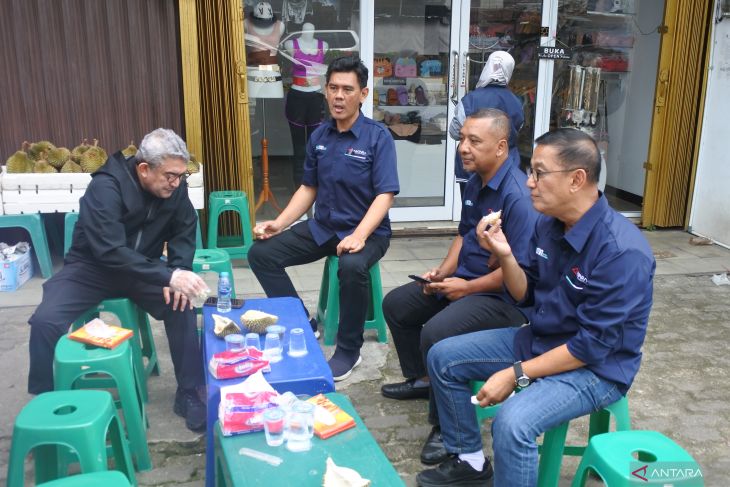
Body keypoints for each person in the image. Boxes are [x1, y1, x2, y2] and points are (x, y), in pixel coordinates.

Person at [417, 128, 656, 486]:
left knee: (512, 423)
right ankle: (470, 462)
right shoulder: (549, 223)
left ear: (577, 179)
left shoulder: (621, 252)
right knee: (442, 356)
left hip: (597, 368)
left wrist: (516, 374)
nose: (529, 182)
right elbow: (525, 293)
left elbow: (590, 346)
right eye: (531, 171)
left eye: (539, 173)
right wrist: (505, 254)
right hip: (542, 339)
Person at [381, 108, 538, 465]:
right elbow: (464, 235)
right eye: (462, 139)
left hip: (502, 299)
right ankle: (423, 379)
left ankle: (444, 424)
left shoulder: (517, 198)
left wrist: (464, 289)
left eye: (474, 141)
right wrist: (441, 272)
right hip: (465, 282)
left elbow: (519, 273)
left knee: (437, 333)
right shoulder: (475, 181)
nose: (463, 148)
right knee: (397, 305)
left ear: (500, 147)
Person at [27, 128, 209, 432]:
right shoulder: (106, 187)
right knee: (46, 321)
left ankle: (190, 392)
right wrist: (169, 274)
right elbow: (109, 250)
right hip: (91, 268)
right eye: (169, 176)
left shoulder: (175, 190)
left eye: (180, 176)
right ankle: (44, 401)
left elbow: (183, 231)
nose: (176, 183)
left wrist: (178, 268)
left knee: (182, 305)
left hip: (143, 268)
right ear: (144, 169)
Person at [247, 56, 399, 382]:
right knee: (261, 254)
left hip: (368, 233)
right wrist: (280, 222)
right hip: (324, 228)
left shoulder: (377, 137)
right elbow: (308, 188)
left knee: (352, 266)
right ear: (325, 91)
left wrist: (359, 235)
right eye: (333, 88)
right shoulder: (319, 137)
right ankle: (302, 320)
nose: (339, 96)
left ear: (363, 94)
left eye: (347, 89)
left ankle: (348, 350)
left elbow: (385, 194)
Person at [450, 50, 524, 199]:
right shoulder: (517, 102)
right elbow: (519, 129)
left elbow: (454, 132)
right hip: (505, 164)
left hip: (473, 164)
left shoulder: (470, 99)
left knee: (471, 212)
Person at [284, 22, 328, 188]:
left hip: (316, 97)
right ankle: (298, 186)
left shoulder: (324, 45)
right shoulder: (291, 44)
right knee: (299, 146)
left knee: (315, 143)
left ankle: (315, 185)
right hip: (297, 96)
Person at [245, 1, 286, 98]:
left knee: (275, 99)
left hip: (271, 67)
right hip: (254, 67)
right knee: (255, 98)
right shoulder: (246, 23)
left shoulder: (280, 25)